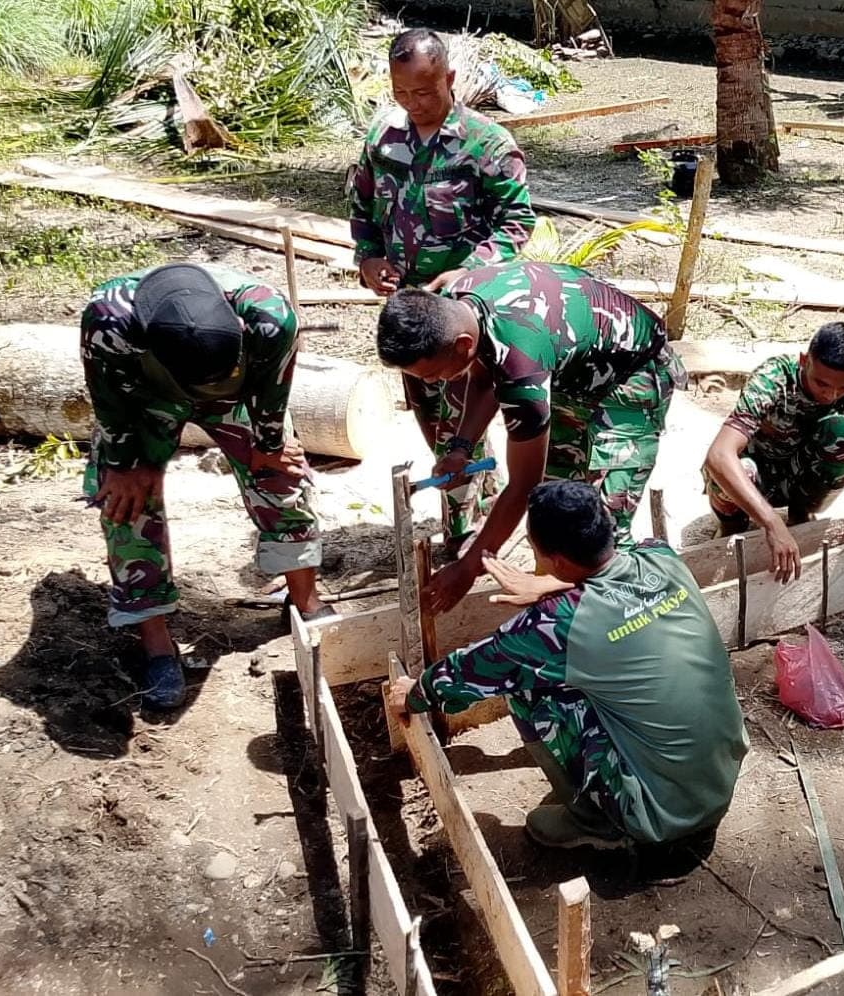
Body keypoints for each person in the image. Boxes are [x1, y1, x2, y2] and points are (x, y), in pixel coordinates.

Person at [385, 481, 748, 851]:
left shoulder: (558, 623)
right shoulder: (662, 558)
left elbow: (470, 672)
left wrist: (415, 693)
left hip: (658, 816)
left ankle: (595, 818)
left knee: (526, 686)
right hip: (717, 784)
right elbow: (610, 577)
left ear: (555, 559)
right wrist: (550, 585)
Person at [80, 262, 331, 710]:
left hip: (243, 396)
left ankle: (304, 601)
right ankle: (156, 642)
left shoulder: (268, 317)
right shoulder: (110, 321)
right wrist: (125, 463)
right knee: (127, 505)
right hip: (146, 398)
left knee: (282, 478)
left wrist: (270, 444)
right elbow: (108, 399)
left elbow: (274, 391)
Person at [375, 260, 684, 614]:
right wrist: (461, 448)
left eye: (433, 374)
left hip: (633, 375)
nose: (432, 383)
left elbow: (522, 486)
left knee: (602, 529)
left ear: (461, 346)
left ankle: (625, 622)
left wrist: (468, 568)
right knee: (556, 509)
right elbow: (484, 374)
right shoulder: (458, 301)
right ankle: (558, 613)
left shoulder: (522, 366)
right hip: (571, 370)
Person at [348, 27, 538, 550]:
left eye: (425, 92)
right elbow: (362, 208)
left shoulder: (488, 143)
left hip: (463, 316)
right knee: (430, 416)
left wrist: (468, 272)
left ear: (450, 79)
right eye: (402, 93)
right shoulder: (382, 137)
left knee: (462, 422)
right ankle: (478, 491)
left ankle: (464, 531)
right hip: (408, 311)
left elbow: (516, 224)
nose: (414, 104)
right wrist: (368, 259)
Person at [702, 322, 844, 581]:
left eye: (843, 388)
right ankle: (732, 526)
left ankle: (800, 516)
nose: (831, 394)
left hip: (799, 474)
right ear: (805, 361)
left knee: (843, 433)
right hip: (757, 479)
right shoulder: (773, 379)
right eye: (821, 383)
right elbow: (719, 455)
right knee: (738, 470)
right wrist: (771, 523)